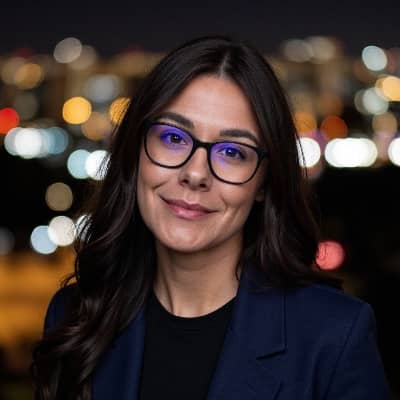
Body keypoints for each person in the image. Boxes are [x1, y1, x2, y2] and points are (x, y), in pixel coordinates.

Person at [31, 36, 390, 400]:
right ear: (135, 151)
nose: (195, 173)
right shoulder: (74, 317)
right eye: (173, 138)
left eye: (232, 152)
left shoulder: (334, 336)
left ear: (264, 182)